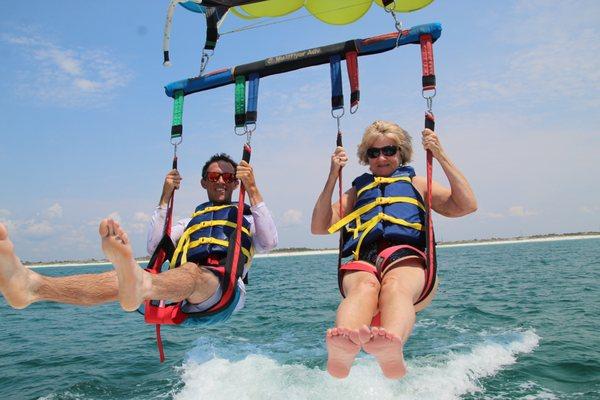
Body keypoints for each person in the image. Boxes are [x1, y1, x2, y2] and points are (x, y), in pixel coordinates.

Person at [0, 153, 277, 325]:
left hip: (222, 296)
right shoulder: (189, 221)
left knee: (188, 273)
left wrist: (252, 188)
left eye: (228, 177)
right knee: (122, 280)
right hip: (173, 294)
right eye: (214, 176)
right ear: (204, 181)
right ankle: (33, 287)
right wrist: (165, 196)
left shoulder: (248, 217)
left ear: (235, 183)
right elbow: (154, 246)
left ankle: (142, 285)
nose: (221, 181)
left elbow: (269, 242)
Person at [311, 121, 477, 379]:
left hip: (405, 256)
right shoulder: (357, 191)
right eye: (373, 153)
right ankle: (344, 347)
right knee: (364, 287)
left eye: (389, 150)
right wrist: (333, 175)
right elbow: (319, 227)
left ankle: (392, 344)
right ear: (366, 157)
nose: (381, 157)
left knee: (395, 284)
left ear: (401, 152)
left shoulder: (418, 184)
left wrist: (440, 154)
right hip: (363, 258)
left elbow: (465, 205)